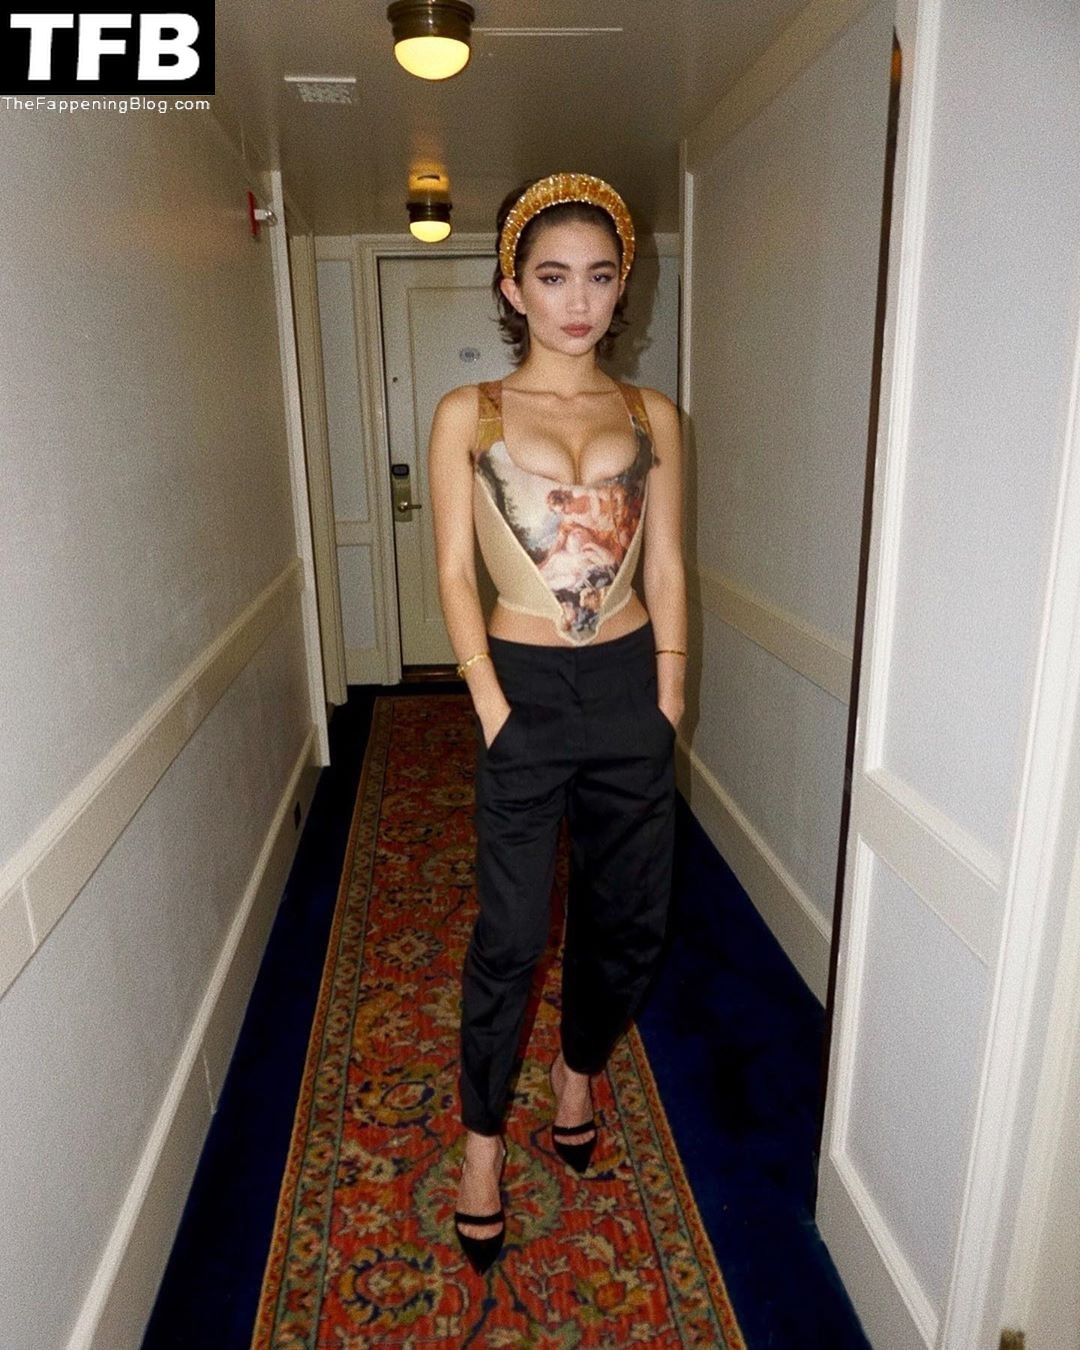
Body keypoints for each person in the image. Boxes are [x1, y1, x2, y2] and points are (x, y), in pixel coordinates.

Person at [427, 171, 687, 1274]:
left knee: (631, 919)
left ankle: (577, 1074)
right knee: (511, 935)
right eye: (552, 276)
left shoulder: (652, 415)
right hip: (524, 692)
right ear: (513, 288)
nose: (577, 301)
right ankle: (483, 1148)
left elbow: (665, 565)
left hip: (629, 685)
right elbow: (453, 569)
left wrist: (668, 694)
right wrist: (489, 700)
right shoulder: (471, 413)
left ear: (621, 287)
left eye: (598, 276)